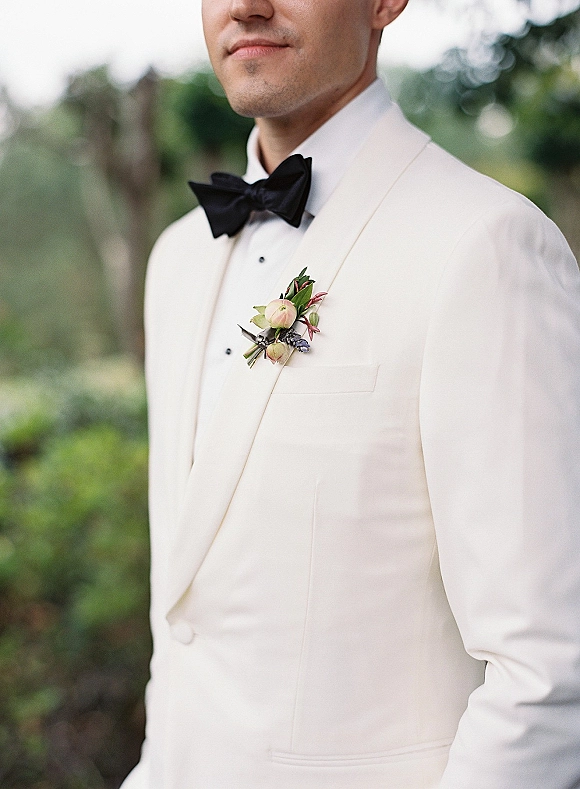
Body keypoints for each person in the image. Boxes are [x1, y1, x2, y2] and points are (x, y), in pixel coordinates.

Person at [121, 1, 580, 787]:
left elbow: (549, 669)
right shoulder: (176, 260)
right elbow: (187, 624)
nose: (245, 5)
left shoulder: (487, 245)